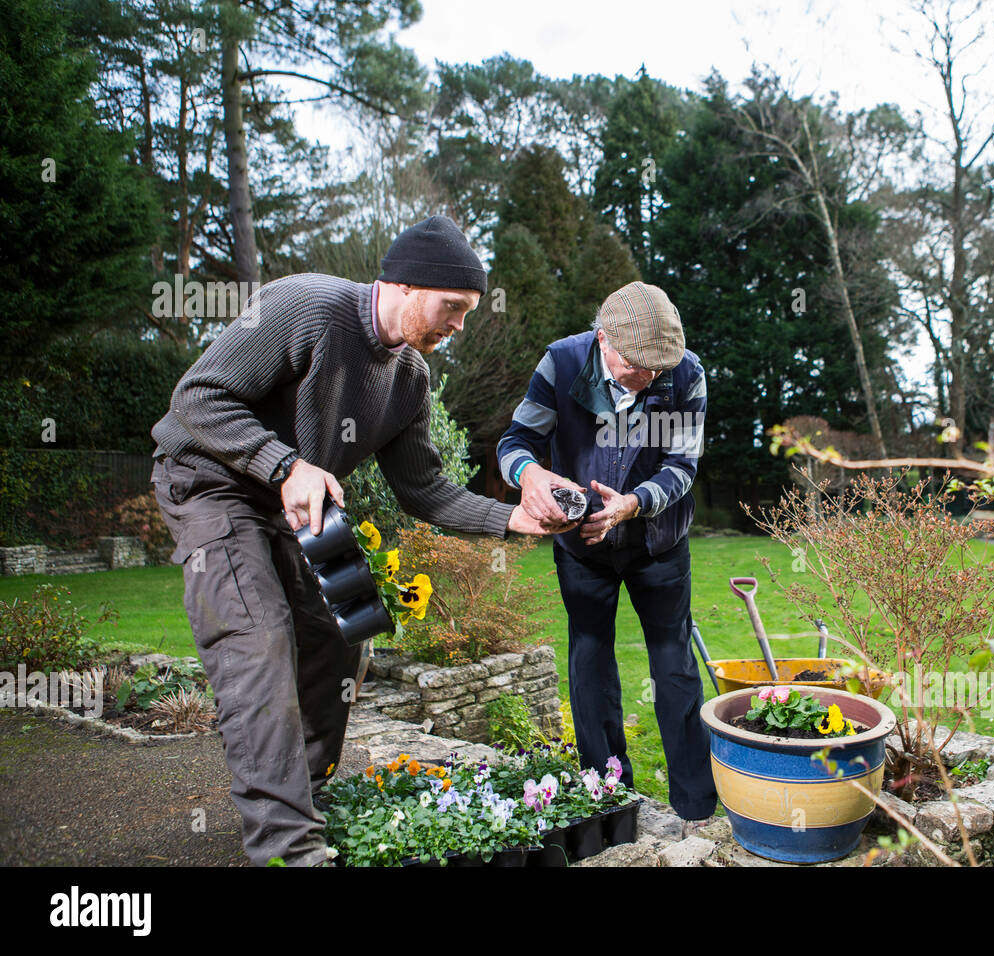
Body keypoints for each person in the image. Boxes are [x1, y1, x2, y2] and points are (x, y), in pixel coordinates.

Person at [149, 215, 564, 866]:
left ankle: (306, 794)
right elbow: (195, 400)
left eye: (467, 313)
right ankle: (290, 849)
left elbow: (424, 490)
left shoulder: (410, 380)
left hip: (301, 504)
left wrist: (513, 519)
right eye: (453, 308)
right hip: (211, 483)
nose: (459, 327)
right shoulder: (304, 304)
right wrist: (282, 465)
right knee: (257, 641)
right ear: (402, 283)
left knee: (351, 626)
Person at [496, 280, 717, 822]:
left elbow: (683, 466)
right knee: (590, 664)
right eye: (640, 365)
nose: (651, 376)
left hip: (659, 544)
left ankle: (696, 807)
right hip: (582, 551)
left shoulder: (685, 374)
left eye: (659, 366)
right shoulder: (561, 364)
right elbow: (515, 444)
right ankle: (609, 798)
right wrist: (529, 477)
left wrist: (633, 505)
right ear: (603, 341)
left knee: (675, 666)